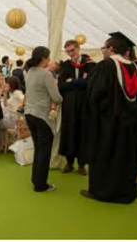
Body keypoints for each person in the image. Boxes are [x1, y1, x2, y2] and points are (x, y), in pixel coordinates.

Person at [81, 32, 137, 204]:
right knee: (126, 156)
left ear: (111, 48)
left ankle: (102, 191)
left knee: (105, 155)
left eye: (105, 47)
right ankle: (125, 192)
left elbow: (94, 95)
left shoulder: (106, 66)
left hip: (108, 125)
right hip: (130, 125)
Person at [24, 46, 63, 192]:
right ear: (43, 59)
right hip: (42, 116)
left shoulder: (29, 72)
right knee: (44, 151)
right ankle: (40, 184)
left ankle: (36, 180)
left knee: (38, 149)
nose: (50, 60)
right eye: (48, 57)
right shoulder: (46, 75)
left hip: (29, 113)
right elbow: (56, 97)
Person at [58, 40, 96, 175]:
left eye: (72, 50)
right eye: (68, 51)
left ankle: (81, 164)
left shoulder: (90, 64)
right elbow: (61, 85)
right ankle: (69, 162)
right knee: (69, 131)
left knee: (83, 132)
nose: (71, 54)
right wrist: (80, 83)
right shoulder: (65, 65)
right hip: (69, 105)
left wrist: (72, 81)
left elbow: (91, 83)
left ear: (78, 48)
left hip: (85, 105)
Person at [0, 77, 25, 153]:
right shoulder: (12, 93)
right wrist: (5, 93)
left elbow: (24, 99)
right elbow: (5, 104)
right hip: (13, 118)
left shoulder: (17, 92)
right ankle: (2, 144)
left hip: (16, 120)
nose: (6, 84)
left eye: (7, 83)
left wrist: (22, 105)